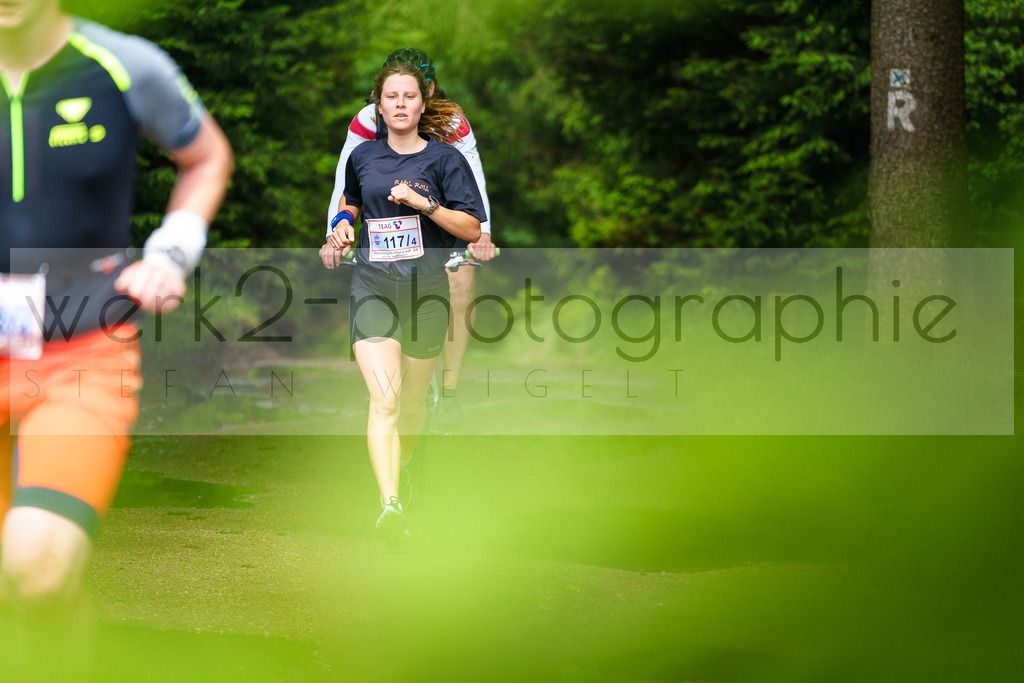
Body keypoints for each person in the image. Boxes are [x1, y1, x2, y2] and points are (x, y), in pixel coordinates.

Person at [0, 0, 232, 629]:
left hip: (83, 352)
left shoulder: (126, 67)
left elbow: (207, 158)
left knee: (36, 571)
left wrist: (170, 254)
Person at [322, 59, 485, 538]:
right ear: (378, 104)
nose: (399, 104)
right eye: (391, 97)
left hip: (426, 292)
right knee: (385, 400)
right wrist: (342, 225)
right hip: (372, 286)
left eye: (408, 96)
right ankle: (390, 505)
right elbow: (349, 200)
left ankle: (406, 461)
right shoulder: (363, 157)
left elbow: (471, 228)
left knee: (412, 405)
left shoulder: (445, 161)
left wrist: (425, 205)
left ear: (422, 102)